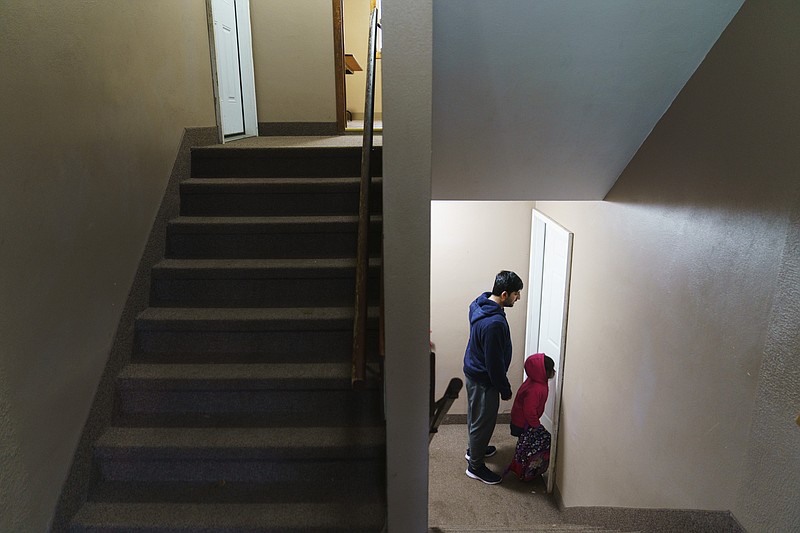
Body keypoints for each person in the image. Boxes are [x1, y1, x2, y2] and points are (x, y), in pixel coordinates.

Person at [463, 270, 524, 484]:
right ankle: (475, 466)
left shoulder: (479, 303)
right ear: (505, 294)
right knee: (484, 422)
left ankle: (474, 450)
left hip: (472, 371)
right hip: (484, 379)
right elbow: (494, 364)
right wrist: (504, 389)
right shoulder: (494, 324)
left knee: (475, 416)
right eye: (516, 294)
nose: (518, 298)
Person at [505, 353, 556, 481]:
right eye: (551, 370)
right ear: (543, 372)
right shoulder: (535, 388)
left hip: (523, 420)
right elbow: (529, 411)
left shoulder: (535, 381)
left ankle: (523, 461)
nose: (554, 372)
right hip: (523, 423)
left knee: (524, 443)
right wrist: (536, 426)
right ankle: (523, 466)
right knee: (526, 445)